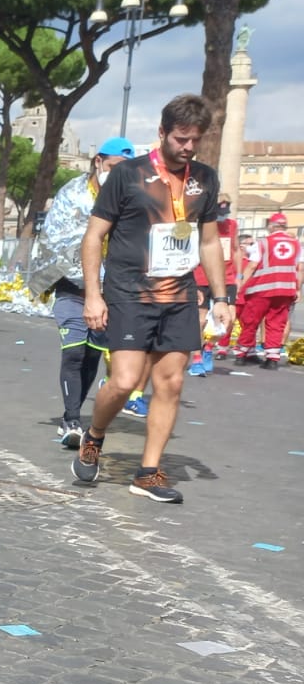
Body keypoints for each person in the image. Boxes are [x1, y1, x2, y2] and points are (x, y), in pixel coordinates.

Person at [71, 95, 228, 504]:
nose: (188, 147)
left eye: (195, 140)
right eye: (181, 139)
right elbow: (93, 237)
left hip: (179, 294)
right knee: (123, 382)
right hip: (128, 292)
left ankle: (148, 472)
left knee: (171, 383)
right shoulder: (128, 176)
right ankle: (95, 435)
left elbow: (209, 242)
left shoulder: (206, 180)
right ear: (162, 133)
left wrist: (220, 297)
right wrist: (93, 295)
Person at [28, 137, 136, 446]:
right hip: (71, 286)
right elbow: (55, 236)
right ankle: (71, 419)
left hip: (110, 291)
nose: (118, 174)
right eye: (114, 167)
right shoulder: (72, 194)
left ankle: (72, 414)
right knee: (74, 350)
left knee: (92, 355)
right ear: (99, 161)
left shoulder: (130, 199)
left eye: (125, 169)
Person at [234, 212, 301, 368]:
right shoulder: (296, 244)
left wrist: (240, 284)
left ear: (271, 226)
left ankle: (242, 354)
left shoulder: (263, 243)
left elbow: (251, 265)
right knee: (276, 323)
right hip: (285, 290)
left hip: (262, 289)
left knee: (250, 321)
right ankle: (272, 358)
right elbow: (299, 268)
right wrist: (297, 289)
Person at [188, 194, 239, 374]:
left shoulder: (232, 225)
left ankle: (208, 346)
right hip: (202, 277)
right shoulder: (201, 224)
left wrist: (238, 275)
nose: (222, 215)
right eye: (219, 211)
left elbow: (235, 249)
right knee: (200, 319)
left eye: (225, 211)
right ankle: (195, 358)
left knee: (229, 318)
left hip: (227, 278)